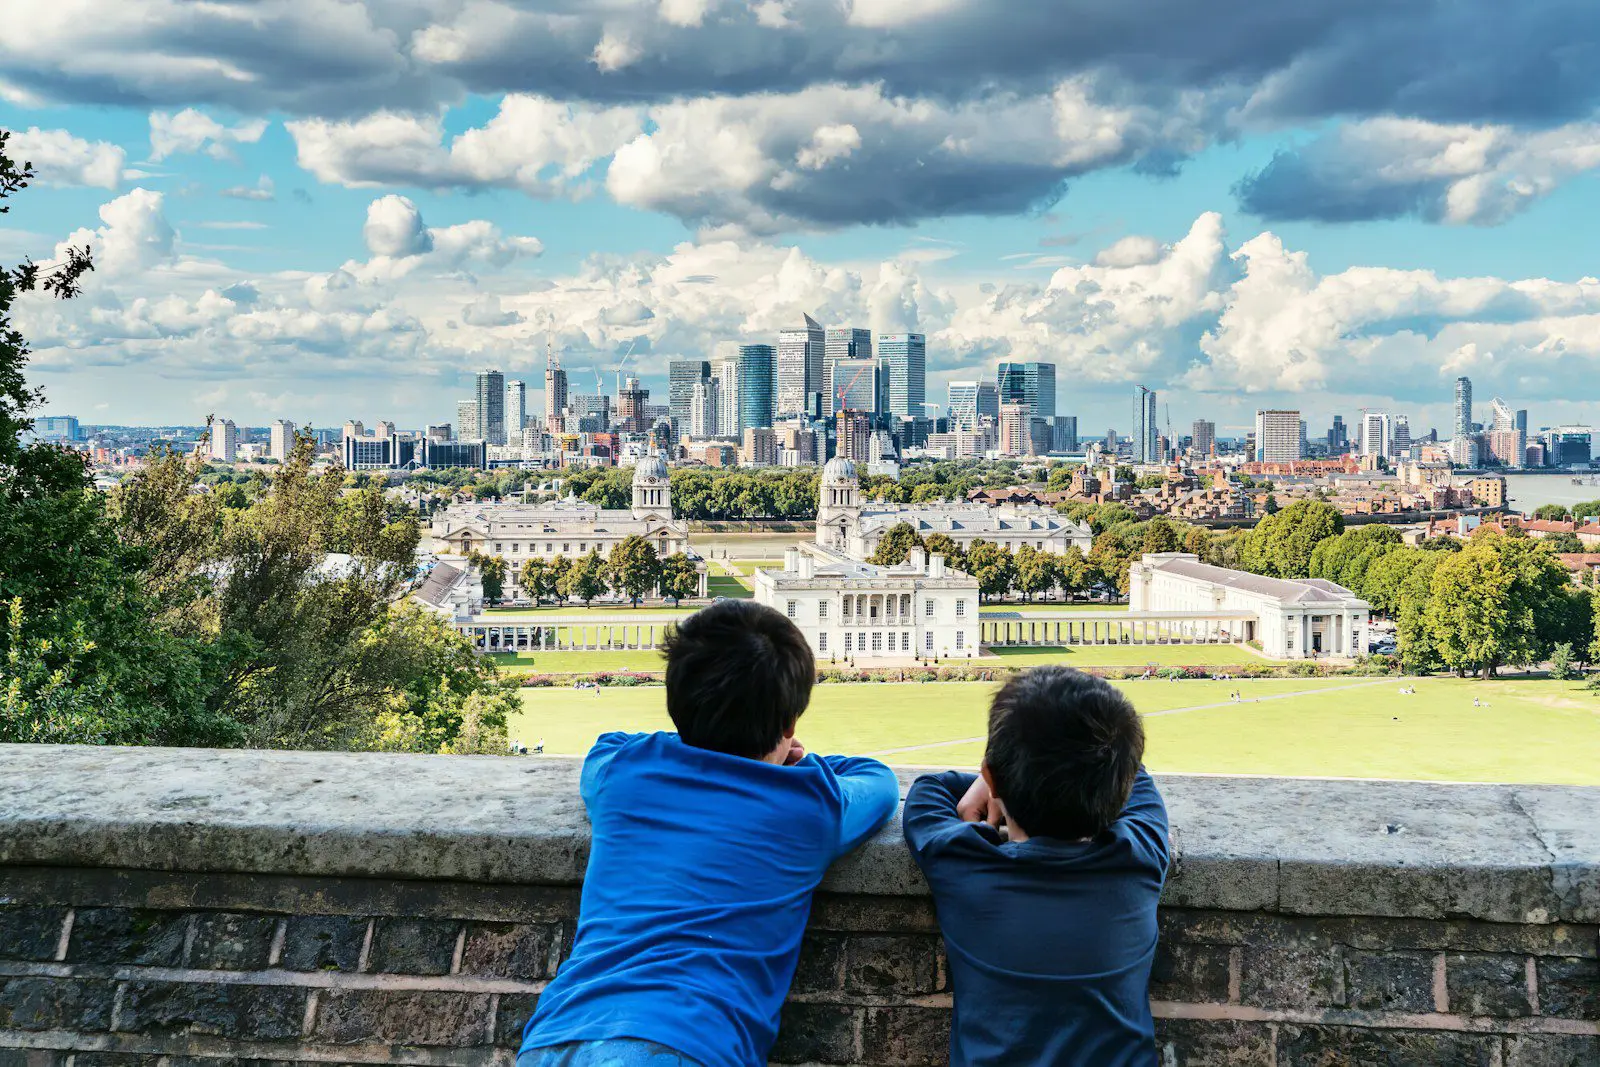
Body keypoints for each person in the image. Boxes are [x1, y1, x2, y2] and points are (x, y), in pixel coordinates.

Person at [520, 600, 900, 1067]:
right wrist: (801, 763)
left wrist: (694, 736)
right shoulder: (807, 804)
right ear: (789, 724)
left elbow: (607, 746)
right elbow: (879, 783)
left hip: (560, 1034)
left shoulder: (625, 773)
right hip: (689, 1043)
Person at [904, 666, 1169, 1066]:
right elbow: (1136, 777)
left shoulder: (963, 864)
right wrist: (999, 779)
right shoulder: (1138, 858)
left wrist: (995, 780)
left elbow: (926, 793)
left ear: (991, 777)